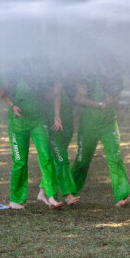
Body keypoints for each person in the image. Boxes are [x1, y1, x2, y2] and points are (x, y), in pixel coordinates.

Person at [0, 59, 72, 209]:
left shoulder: (43, 74)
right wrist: (12, 105)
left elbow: (53, 94)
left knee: (46, 157)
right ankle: (15, 199)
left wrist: (56, 114)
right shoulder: (15, 71)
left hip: (39, 121)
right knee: (20, 161)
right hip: (18, 124)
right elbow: (1, 91)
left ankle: (51, 196)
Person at [69, 66, 130, 207]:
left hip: (109, 124)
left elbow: (118, 100)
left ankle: (122, 196)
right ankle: (71, 192)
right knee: (82, 160)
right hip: (89, 126)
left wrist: (111, 101)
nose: (111, 70)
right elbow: (78, 99)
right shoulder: (90, 78)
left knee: (115, 157)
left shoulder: (117, 79)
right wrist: (99, 104)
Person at [40, 75, 80, 207]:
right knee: (62, 159)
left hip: (64, 126)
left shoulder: (65, 81)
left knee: (56, 159)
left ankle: (42, 191)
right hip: (52, 127)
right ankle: (68, 195)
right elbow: (50, 96)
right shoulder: (42, 81)